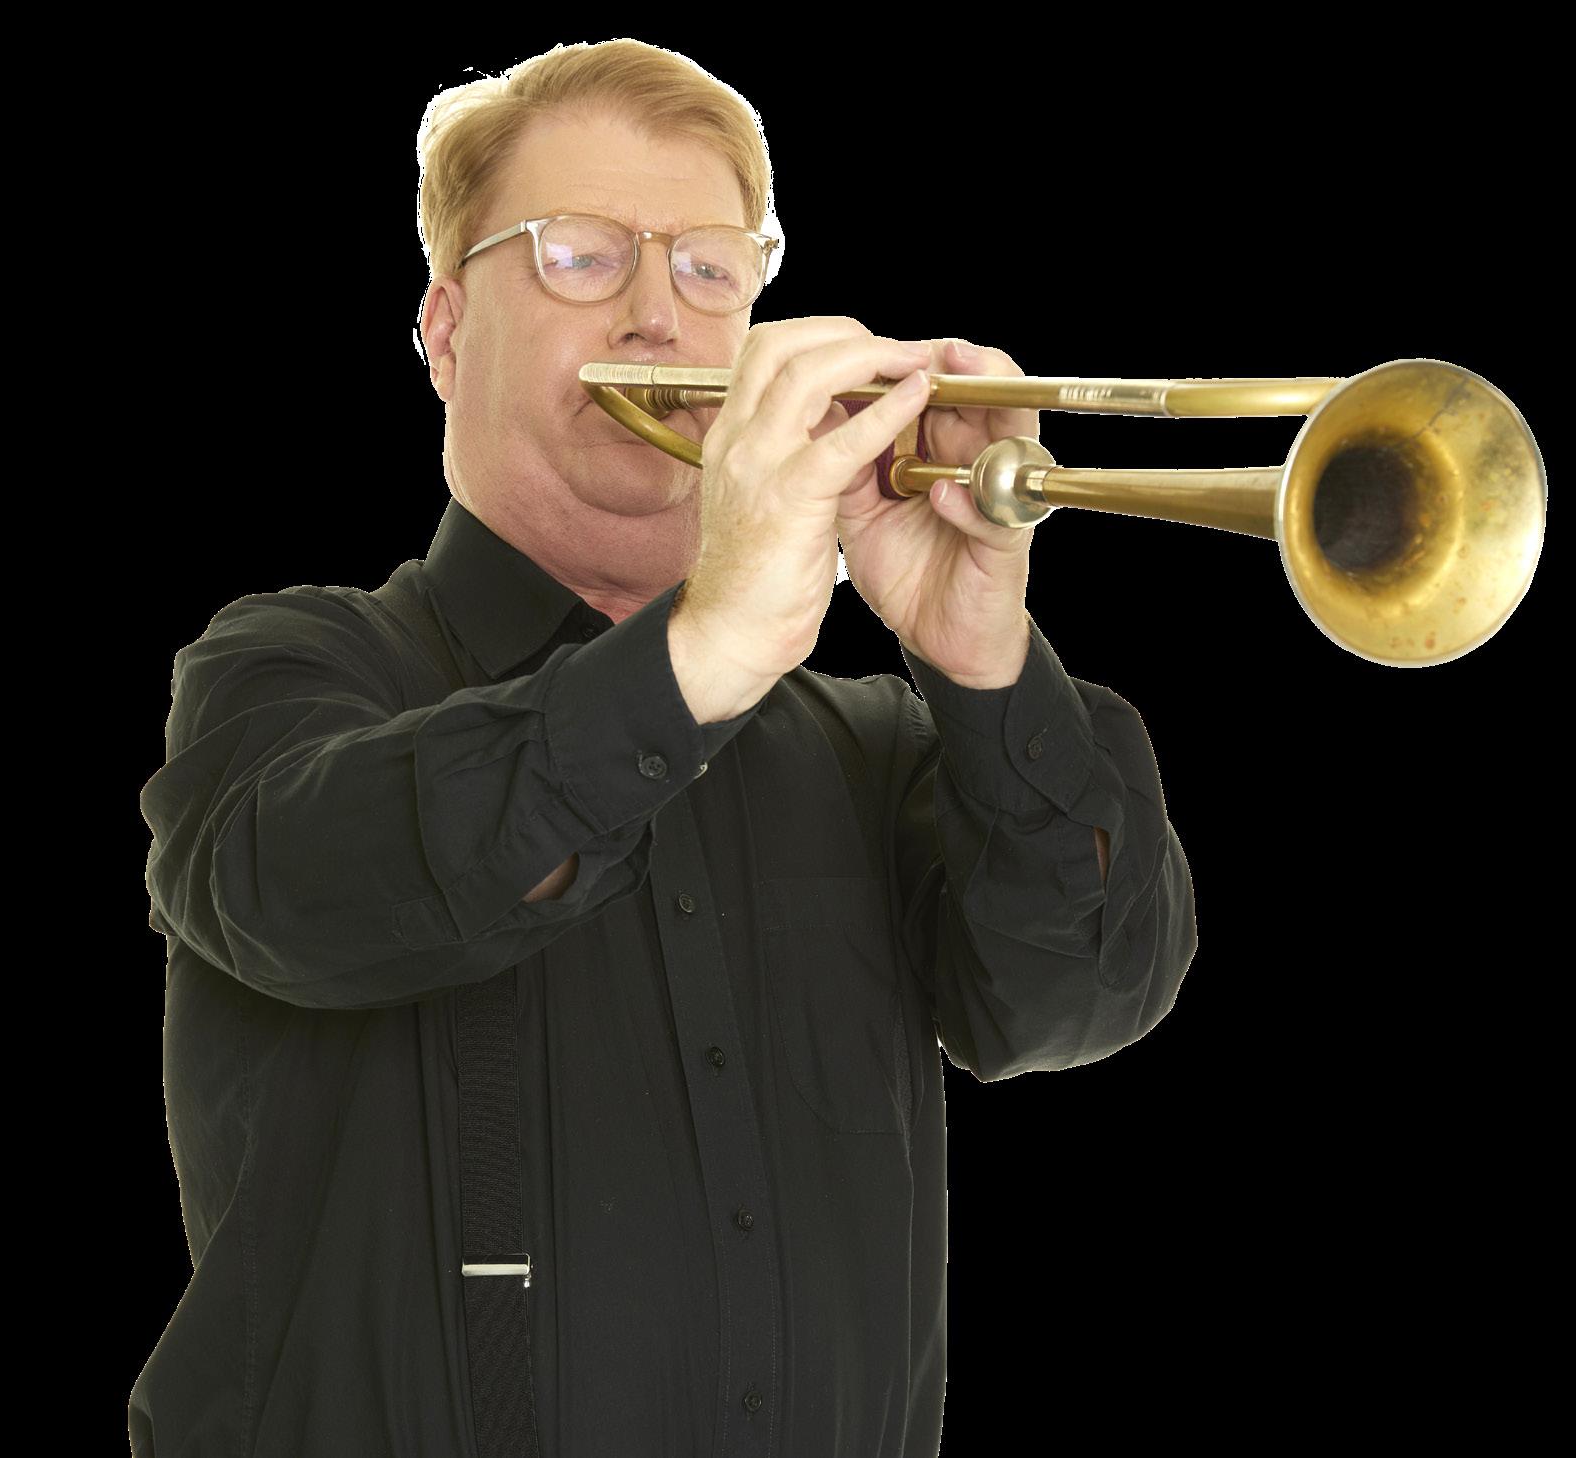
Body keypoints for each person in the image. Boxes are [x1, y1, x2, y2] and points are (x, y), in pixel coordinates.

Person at [129, 39, 1197, 1458]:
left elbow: (1083, 998)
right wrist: (711, 645)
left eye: (708, 268)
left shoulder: (877, 746)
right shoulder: (290, 670)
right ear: (445, 329)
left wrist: (980, 656)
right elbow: (310, 886)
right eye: (579, 256)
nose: (655, 313)